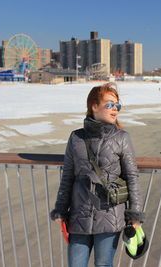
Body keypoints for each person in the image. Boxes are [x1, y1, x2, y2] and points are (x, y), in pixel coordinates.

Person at [50, 83, 145, 267]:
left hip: (110, 215)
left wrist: (135, 215)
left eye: (117, 106)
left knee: (103, 264)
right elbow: (68, 176)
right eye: (110, 104)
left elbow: (132, 176)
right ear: (94, 106)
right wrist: (61, 209)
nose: (115, 110)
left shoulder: (121, 138)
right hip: (79, 215)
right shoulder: (76, 137)